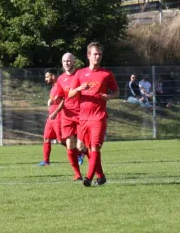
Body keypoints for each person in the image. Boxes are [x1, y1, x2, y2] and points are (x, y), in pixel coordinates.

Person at [69, 42, 119, 187]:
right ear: (88, 55)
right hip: (83, 117)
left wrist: (109, 97)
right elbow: (71, 94)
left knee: (95, 147)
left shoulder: (106, 74)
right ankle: (101, 175)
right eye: (95, 54)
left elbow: (117, 92)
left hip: (99, 116)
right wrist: (79, 88)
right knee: (80, 147)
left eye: (100, 54)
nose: (97, 57)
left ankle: (89, 178)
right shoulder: (80, 73)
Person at [55, 53, 87, 181]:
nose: (66, 63)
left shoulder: (81, 75)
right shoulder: (61, 78)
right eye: (64, 61)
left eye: (69, 60)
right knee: (69, 144)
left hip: (81, 113)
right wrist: (55, 100)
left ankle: (94, 165)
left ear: (74, 62)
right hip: (67, 115)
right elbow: (61, 95)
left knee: (80, 147)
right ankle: (77, 174)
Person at [37, 68, 65, 166]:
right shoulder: (53, 86)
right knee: (46, 138)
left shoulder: (58, 86)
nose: (46, 79)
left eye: (47, 77)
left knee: (61, 140)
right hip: (51, 117)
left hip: (58, 116)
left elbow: (60, 99)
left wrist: (52, 100)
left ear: (53, 76)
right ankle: (46, 161)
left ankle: (79, 153)